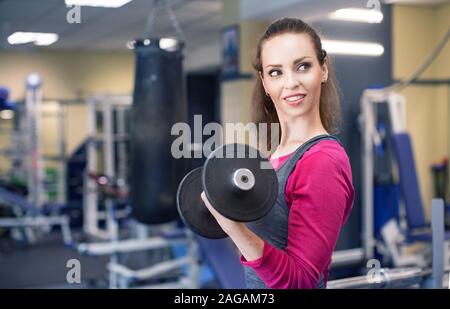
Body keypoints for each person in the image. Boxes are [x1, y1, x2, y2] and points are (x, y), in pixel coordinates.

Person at [201, 17, 355, 289]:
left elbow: (302, 282)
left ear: (323, 69)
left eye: (303, 66)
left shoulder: (322, 161)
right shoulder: (274, 156)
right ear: (264, 81)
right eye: (276, 72)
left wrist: (235, 229)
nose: (291, 82)